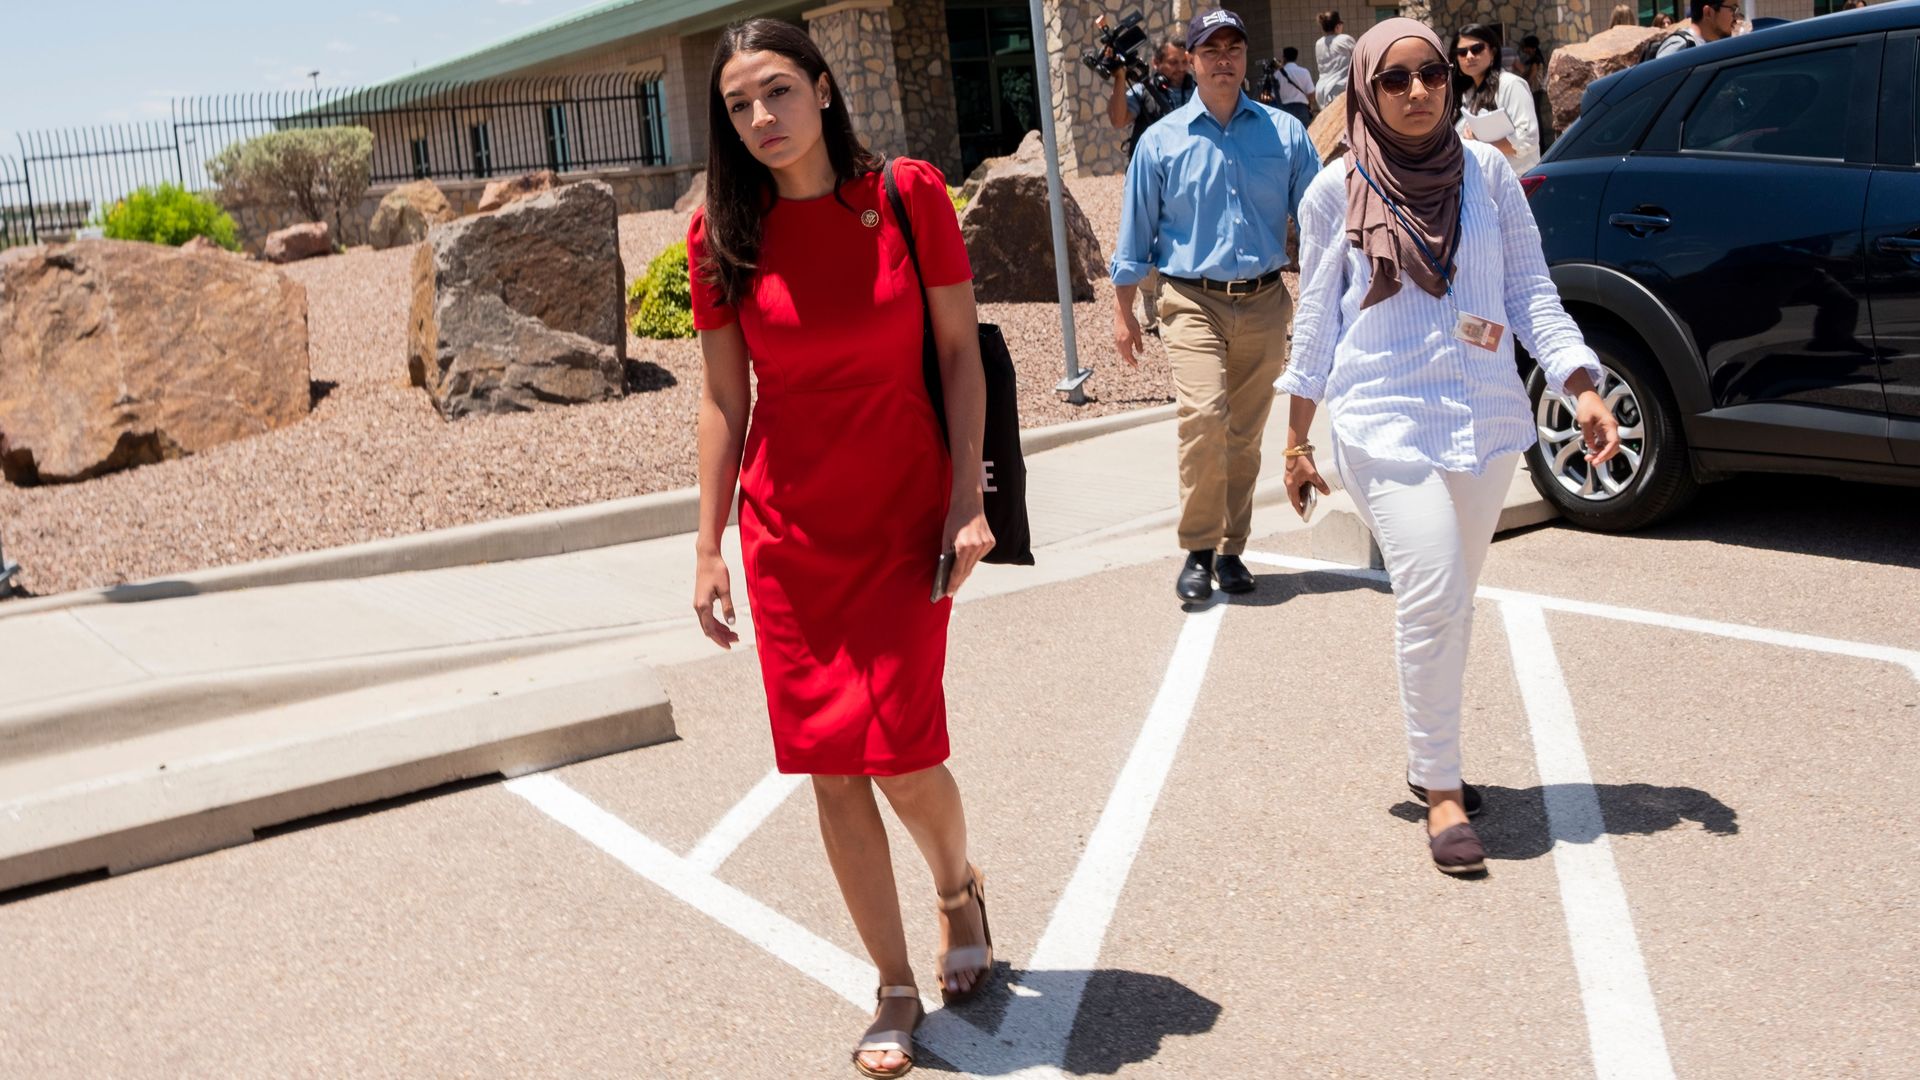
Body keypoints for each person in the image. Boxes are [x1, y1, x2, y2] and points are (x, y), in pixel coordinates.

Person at [687, 18, 995, 1078]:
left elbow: (959, 357)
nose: (760, 117)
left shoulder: (907, 196)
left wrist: (967, 500)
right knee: (830, 766)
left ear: (822, 89)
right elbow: (724, 399)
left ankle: (957, 888)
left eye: (776, 90)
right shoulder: (720, 237)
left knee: (904, 754)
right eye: (738, 104)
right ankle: (894, 984)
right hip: (789, 533)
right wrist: (709, 544)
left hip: (906, 514)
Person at [1277, 18, 1621, 875]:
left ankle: (1431, 755)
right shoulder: (1333, 191)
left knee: (1451, 601)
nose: (1419, 91)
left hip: (1483, 420)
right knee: (1432, 587)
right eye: (1394, 80)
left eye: (1431, 74)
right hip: (1381, 419)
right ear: (1365, 91)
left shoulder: (1489, 174)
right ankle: (1440, 790)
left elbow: (1530, 291)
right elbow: (1315, 322)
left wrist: (1580, 384)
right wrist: (1295, 439)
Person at [1110, 7, 1320, 603]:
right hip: (1189, 300)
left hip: (1264, 302)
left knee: (1244, 435)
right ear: (1193, 61)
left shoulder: (1286, 134)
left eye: (1233, 49)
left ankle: (1231, 550)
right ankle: (1199, 549)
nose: (1223, 59)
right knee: (1203, 417)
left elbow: (1321, 217)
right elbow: (1136, 231)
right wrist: (1122, 312)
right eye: (1211, 50)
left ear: (1245, 57)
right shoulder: (1160, 141)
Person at [1109, 40, 1197, 335]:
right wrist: (1120, 78)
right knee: (1144, 236)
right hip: (1148, 175)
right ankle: (1148, 295)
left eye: (1183, 62)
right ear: (1157, 63)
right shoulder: (1143, 91)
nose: (1180, 69)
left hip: (1187, 176)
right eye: (1172, 63)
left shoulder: (1199, 91)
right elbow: (1118, 119)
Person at [1452, 24, 1540, 174]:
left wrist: (1479, 143)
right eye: (1462, 52)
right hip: (1485, 181)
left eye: (1477, 49)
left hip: (1518, 180)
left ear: (1492, 52)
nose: (1469, 56)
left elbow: (1527, 139)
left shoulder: (1510, 84)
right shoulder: (1466, 93)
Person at [1657, 0, 1738, 55]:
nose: (1736, 17)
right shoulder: (1681, 46)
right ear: (1708, 12)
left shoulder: (1716, 47)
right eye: (1733, 9)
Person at [1315, 11, 1357, 109]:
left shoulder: (1319, 43)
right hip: (1340, 89)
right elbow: (1358, 57)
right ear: (1337, 26)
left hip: (1321, 90)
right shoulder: (1344, 39)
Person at [1273, 46, 1318, 126]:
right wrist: (1311, 106)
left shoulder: (1277, 74)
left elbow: (1273, 95)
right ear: (1296, 57)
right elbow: (1311, 93)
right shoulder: (1304, 72)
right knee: (1304, 131)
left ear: (1284, 58)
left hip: (1284, 110)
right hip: (1302, 108)